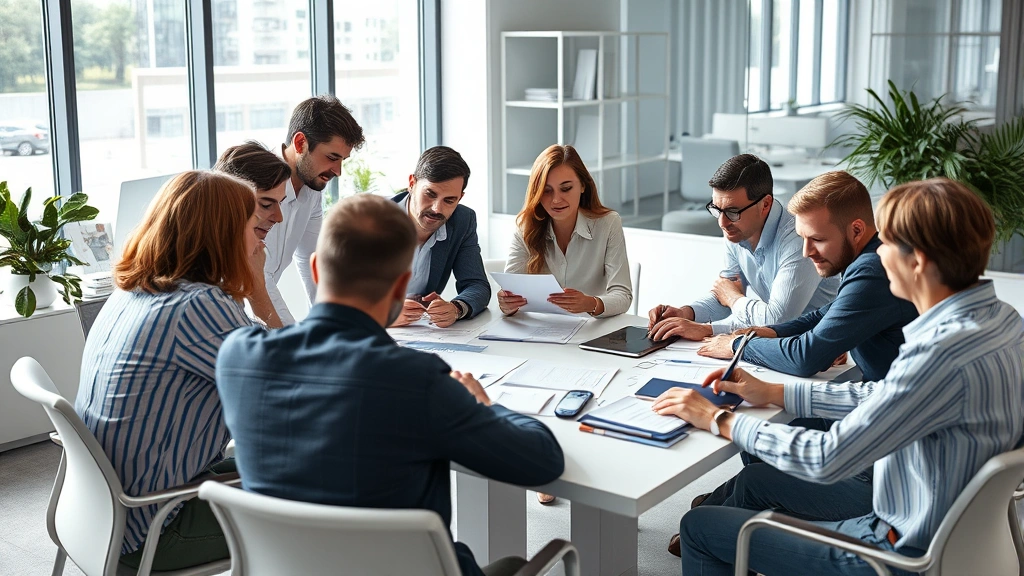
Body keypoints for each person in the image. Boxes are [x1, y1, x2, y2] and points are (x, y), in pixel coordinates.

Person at [656, 178, 1024, 575]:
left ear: (916, 261)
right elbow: (887, 396)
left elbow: (826, 457)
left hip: (892, 552)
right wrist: (779, 393)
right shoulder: (1004, 321)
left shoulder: (935, 356)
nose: (878, 256)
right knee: (754, 485)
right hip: (963, 543)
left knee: (700, 528)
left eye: (886, 245)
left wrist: (720, 419)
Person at [216, 194, 565, 576]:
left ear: (316, 269)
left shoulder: (237, 357)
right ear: (401, 287)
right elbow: (541, 462)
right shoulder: (418, 381)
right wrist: (484, 406)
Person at [662, 171, 920, 557]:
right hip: (883, 425)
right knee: (770, 414)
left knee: (763, 442)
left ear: (856, 229)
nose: (806, 252)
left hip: (884, 468)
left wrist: (738, 343)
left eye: (816, 239)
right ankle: (730, 503)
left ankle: (724, 525)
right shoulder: (871, 258)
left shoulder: (871, 271)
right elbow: (820, 319)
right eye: (802, 238)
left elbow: (806, 357)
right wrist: (762, 332)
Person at [76, 171, 271, 570]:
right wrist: (257, 286)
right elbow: (290, 385)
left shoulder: (133, 291)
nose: (259, 241)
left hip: (101, 518)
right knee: (340, 492)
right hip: (156, 528)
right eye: (253, 227)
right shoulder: (196, 306)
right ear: (224, 235)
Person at [647, 154, 838, 342]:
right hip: (777, 341)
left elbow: (777, 319)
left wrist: (710, 327)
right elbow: (725, 295)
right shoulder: (735, 228)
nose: (722, 222)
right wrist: (686, 313)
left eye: (732, 211)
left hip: (820, 347)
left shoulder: (798, 239)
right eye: (716, 209)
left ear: (765, 204)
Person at [264, 95, 365, 325]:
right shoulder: (257, 185)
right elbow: (257, 279)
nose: (338, 171)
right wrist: (294, 338)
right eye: (332, 157)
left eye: (343, 160)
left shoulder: (312, 189)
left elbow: (313, 261)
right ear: (300, 143)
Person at [500, 144, 632, 318]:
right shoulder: (525, 227)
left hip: (591, 330)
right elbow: (510, 291)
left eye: (566, 188)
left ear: (583, 185)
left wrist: (590, 303)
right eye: (546, 191)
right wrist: (507, 303)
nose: (556, 200)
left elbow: (623, 295)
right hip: (541, 331)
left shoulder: (608, 223)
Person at [389, 146, 490, 327]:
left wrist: (456, 308)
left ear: (460, 198)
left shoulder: (462, 221)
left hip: (420, 335)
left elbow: (477, 285)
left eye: (449, 200)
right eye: (430, 194)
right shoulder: (369, 218)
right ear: (412, 183)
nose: (437, 209)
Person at [215, 140, 293, 328]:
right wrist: (257, 289)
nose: (279, 217)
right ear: (231, 205)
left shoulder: (237, 265)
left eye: (280, 203)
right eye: (266, 205)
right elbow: (281, 354)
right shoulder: (209, 293)